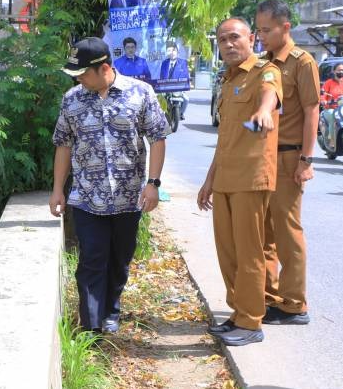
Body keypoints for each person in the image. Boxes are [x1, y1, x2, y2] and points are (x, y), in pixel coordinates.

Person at [50, 37, 169, 334]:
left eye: (82, 73)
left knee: (119, 260)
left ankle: (111, 311)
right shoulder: (72, 99)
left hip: (128, 199)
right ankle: (91, 327)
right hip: (87, 197)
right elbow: (63, 145)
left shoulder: (140, 93)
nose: (78, 79)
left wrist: (152, 183)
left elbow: (157, 138)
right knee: (91, 260)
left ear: (104, 68)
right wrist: (57, 190)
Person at [197, 17, 283, 346]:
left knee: (249, 253)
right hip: (225, 178)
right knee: (228, 252)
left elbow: (270, 94)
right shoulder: (227, 79)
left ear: (251, 39)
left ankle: (251, 322)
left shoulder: (266, 71)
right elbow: (225, 139)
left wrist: (263, 112)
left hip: (251, 178)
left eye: (235, 37)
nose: (229, 44)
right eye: (222, 40)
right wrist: (209, 181)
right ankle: (237, 313)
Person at [254, 0, 320, 326]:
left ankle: (295, 304)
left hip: (289, 154)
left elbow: (312, 111)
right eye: (259, 29)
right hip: (263, 157)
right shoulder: (262, 62)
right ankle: (269, 297)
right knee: (263, 231)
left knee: (287, 231)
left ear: (285, 27)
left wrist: (306, 160)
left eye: (267, 30)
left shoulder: (301, 62)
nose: (261, 35)